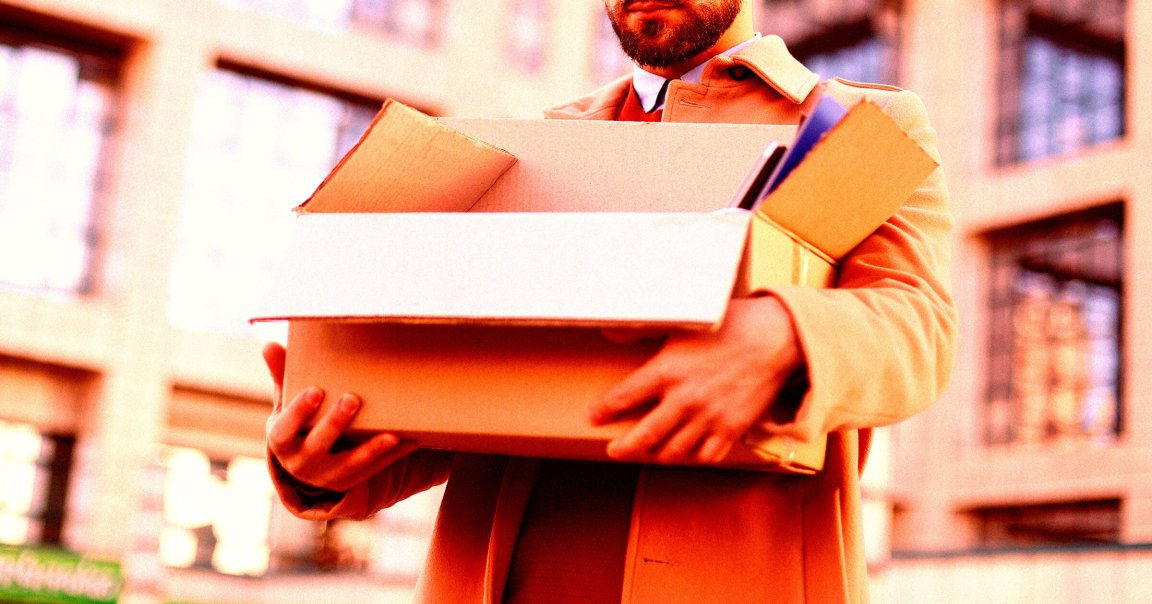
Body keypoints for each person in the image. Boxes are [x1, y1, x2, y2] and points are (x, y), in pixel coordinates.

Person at [262, 1, 956, 602]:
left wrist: (785, 333)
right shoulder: (532, 144)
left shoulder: (858, 123)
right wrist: (321, 461)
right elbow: (473, 385)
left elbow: (917, 324)